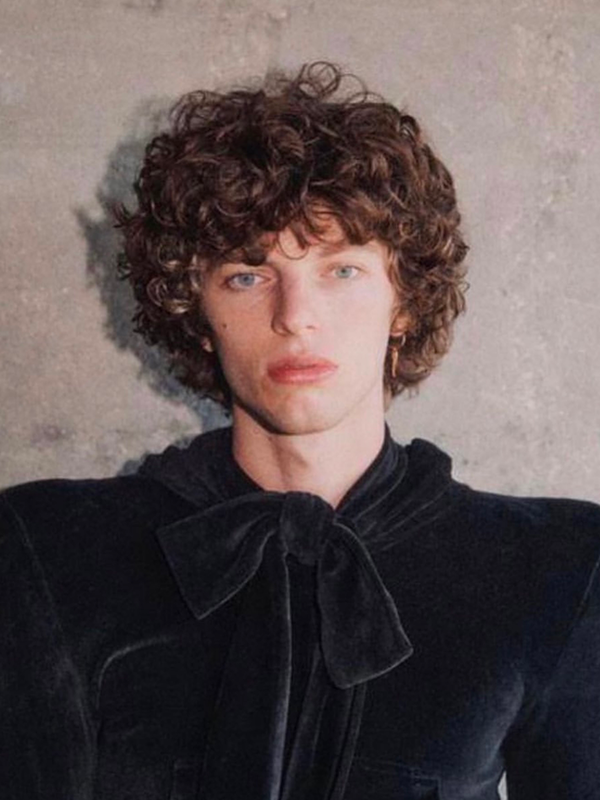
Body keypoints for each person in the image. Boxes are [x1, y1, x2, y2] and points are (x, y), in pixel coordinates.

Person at [1, 62, 600, 800]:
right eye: (247, 275)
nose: (295, 317)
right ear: (197, 312)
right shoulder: (49, 551)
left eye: (340, 271)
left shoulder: (554, 570)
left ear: (404, 303)